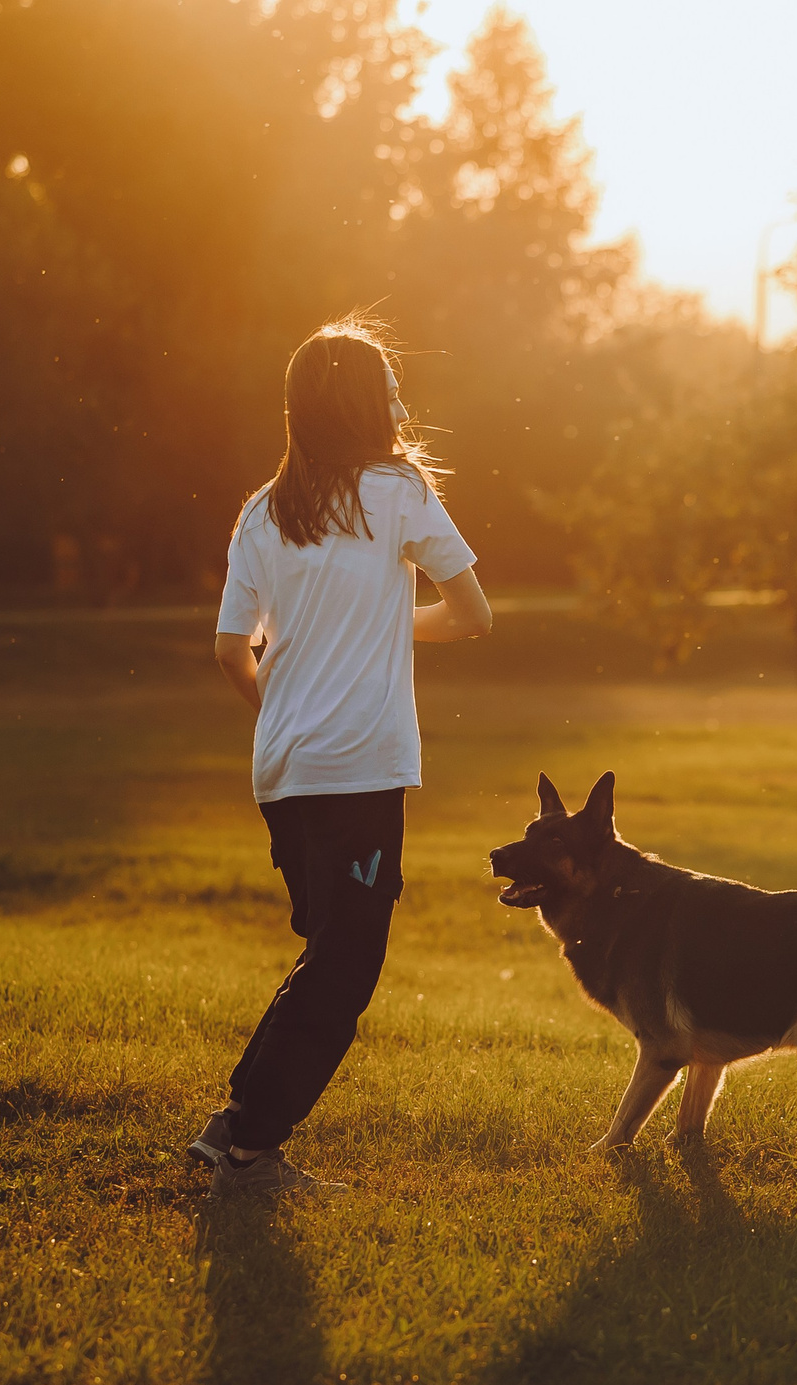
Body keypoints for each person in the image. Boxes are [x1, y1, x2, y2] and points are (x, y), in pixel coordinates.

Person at [187, 318, 492, 1196]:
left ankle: (240, 1128)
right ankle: (246, 1147)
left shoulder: (261, 510)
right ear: (369, 401)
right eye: (390, 383)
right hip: (359, 769)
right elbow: (474, 615)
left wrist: (284, 706)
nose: (402, 397)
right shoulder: (398, 490)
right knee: (346, 965)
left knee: (328, 951)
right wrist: (399, 625)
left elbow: (228, 650)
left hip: (282, 772)